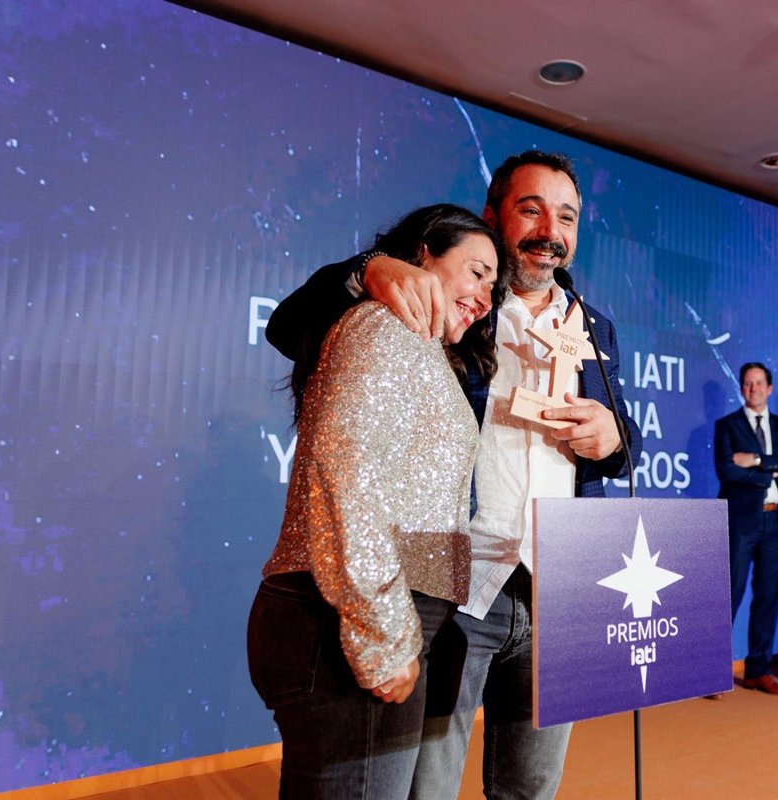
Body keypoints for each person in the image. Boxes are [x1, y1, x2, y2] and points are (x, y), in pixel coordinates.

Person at [265, 151, 641, 800]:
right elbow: (288, 326)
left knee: (532, 787)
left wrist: (614, 439)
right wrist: (366, 270)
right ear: (492, 216)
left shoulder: (595, 327)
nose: (550, 230)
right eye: (531, 210)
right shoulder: (459, 299)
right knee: (423, 788)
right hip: (458, 580)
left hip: (563, 584)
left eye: (567, 217)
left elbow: (621, 442)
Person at [246, 204, 501, 799]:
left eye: (494, 285)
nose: (485, 297)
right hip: (353, 623)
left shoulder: (422, 348)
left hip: (385, 618)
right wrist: (383, 638)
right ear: (422, 255)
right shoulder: (383, 326)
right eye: (476, 272)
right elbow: (345, 475)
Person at [714, 362, 778, 696]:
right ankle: (713, 674)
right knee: (731, 595)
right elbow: (727, 471)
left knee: (768, 598)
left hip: (776, 522)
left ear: (769, 388)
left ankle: (758, 671)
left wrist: (757, 462)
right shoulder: (727, 426)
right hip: (742, 523)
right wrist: (775, 468)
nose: (753, 388)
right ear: (742, 388)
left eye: (758, 383)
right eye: (747, 383)